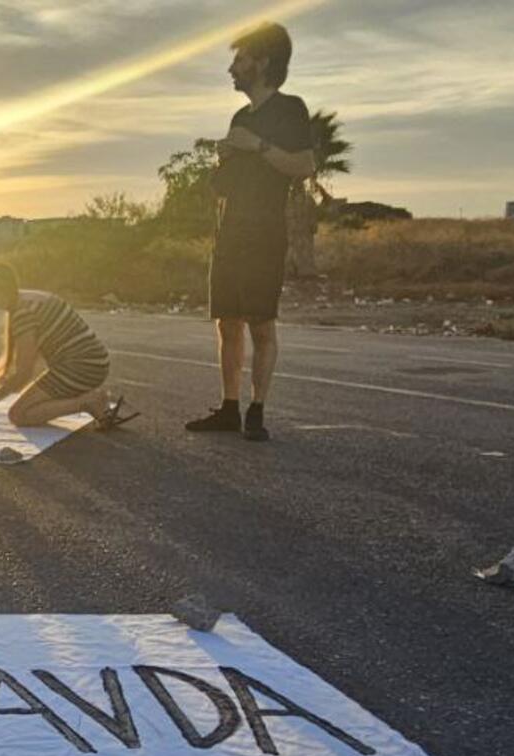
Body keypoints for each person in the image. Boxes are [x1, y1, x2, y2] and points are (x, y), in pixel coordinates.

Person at [185, 21, 315, 442]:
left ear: (263, 62)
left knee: (261, 324)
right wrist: (224, 159)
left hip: (264, 234)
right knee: (226, 322)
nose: (232, 69)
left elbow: (304, 166)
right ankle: (228, 408)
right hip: (231, 232)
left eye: (239, 60)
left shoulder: (290, 109)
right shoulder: (240, 116)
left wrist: (255, 146)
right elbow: (223, 185)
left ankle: (257, 411)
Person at [0, 264, 131, 428]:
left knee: (19, 414)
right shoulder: (29, 298)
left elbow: (24, 373)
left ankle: (87, 402)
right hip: (93, 362)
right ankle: (90, 401)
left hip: (81, 368)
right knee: (33, 399)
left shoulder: (22, 313)